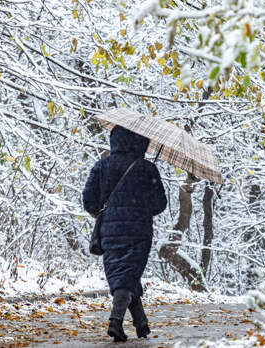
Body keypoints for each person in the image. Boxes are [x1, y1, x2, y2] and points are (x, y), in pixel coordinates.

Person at [82, 125, 167, 342]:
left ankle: (141, 324)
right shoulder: (147, 168)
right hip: (139, 231)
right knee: (128, 274)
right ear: (140, 142)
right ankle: (115, 321)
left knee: (123, 274)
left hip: (110, 230)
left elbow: (89, 201)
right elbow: (159, 205)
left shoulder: (101, 166)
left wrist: (103, 210)